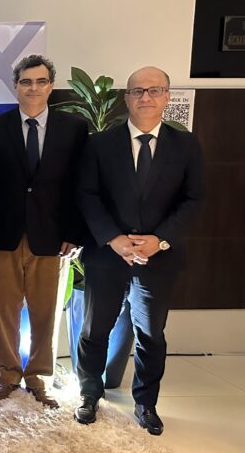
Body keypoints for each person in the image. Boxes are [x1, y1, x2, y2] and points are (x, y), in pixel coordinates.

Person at [75, 66, 204, 434]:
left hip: (158, 257)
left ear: (167, 97)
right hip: (107, 255)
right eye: (138, 91)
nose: (146, 97)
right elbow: (86, 195)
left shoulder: (186, 145)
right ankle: (89, 394)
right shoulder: (100, 143)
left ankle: (146, 403)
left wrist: (159, 239)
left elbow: (194, 199)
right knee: (94, 330)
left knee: (150, 335)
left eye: (154, 90)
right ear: (126, 98)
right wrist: (113, 238)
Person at [0, 54, 88, 408]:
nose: (33, 88)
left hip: (53, 237)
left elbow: (81, 185)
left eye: (40, 82)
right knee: (3, 310)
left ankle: (40, 377)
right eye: (26, 82)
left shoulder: (74, 128)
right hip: (3, 235)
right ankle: (7, 374)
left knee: (46, 312)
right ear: (16, 86)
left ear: (50, 86)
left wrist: (75, 232)